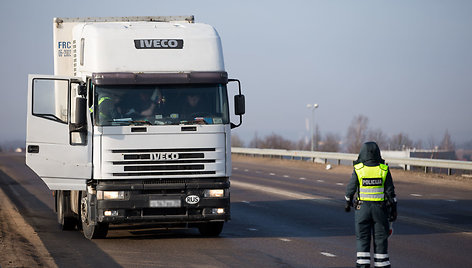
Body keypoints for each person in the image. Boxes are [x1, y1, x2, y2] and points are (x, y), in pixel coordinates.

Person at [345, 141, 397, 268]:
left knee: (362, 240)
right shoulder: (383, 169)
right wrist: (394, 209)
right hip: (380, 210)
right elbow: (390, 193)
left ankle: (363, 266)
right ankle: (382, 265)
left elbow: (350, 190)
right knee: (380, 240)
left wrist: (348, 202)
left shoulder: (359, 170)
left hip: (362, 209)